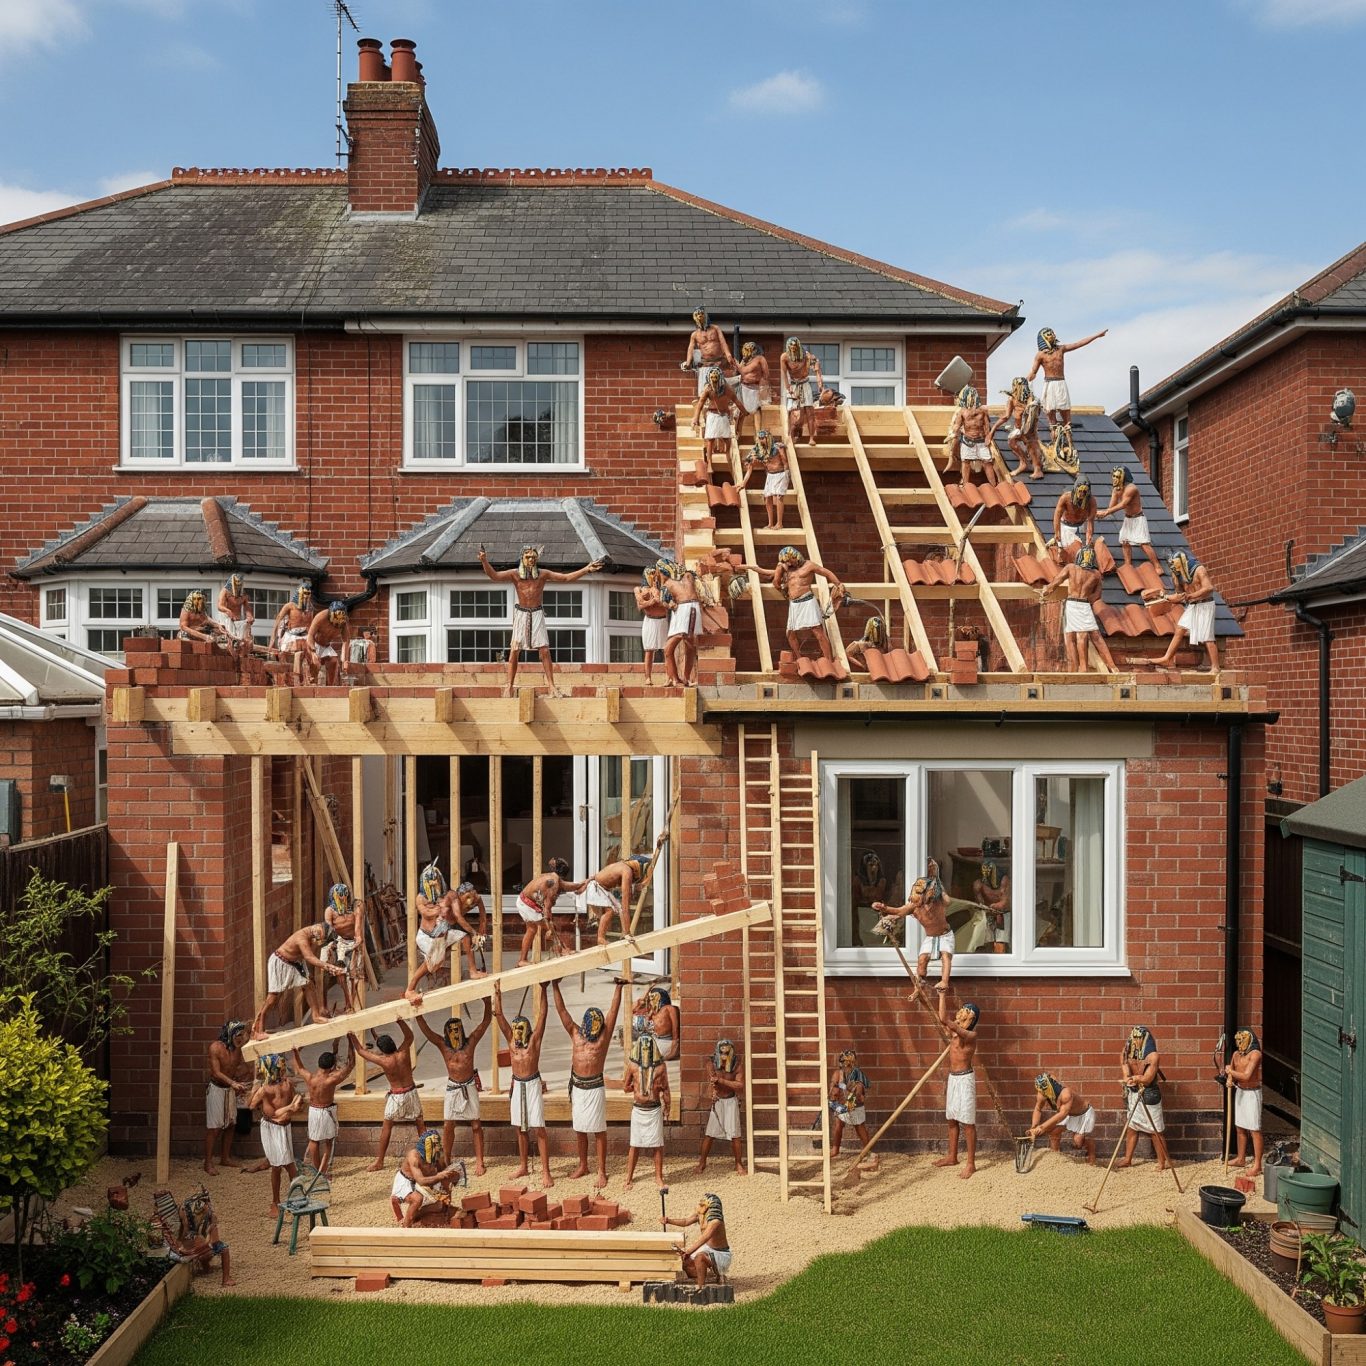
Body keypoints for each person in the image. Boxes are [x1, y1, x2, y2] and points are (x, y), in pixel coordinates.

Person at [478, 544, 606, 697]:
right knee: (514, 650)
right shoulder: (514, 574)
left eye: (533, 557)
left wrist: (586, 569)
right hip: (522, 613)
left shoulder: (542, 574)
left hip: (537, 613)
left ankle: (551, 686)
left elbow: (565, 578)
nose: (531, 559)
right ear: (522, 558)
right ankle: (509, 686)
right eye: (528, 557)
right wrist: (484, 561)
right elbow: (495, 576)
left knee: (544, 650)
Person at [552, 979, 626, 1188]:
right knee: (580, 1128)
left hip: (594, 1087)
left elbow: (613, 1011)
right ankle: (583, 1165)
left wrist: (618, 988)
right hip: (577, 1087)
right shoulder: (575, 1033)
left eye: (597, 1022)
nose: (594, 1025)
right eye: (591, 1021)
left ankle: (602, 1170)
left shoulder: (603, 1037)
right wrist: (555, 986)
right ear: (585, 1021)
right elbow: (562, 1012)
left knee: (598, 1129)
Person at [733, 546, 845, 672]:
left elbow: (826, 572)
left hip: (807, 601)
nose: (790, 563)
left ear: (795, 556)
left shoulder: (809, 565)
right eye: (787, 561)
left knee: (818, 632)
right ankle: (799, 659)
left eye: (790, 560)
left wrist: (838, 584)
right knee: (790, 633)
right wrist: (746, 567)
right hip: (794, 604)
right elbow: (762, 571)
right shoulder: (786, 570)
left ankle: (828, 660)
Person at [416, 1001, 493, 1176]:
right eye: (453, 1031)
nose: (456, 1034)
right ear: (447, 1034)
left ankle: (480, 1162)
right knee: (449, 1125)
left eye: (458, 1030)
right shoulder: (443, 1045)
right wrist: (418, 1013)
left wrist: (487, 1002)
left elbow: (486, 1021)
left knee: (475, 1124)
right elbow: (427, 1031)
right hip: (453, 1087)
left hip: (469, 1085)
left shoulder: (470, 1043)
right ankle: (446, 1159)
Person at [494, 982, 554, 1189]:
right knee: (520, 1127)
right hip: (517, 1085)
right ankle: (523, 1166)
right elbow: (499, 1017)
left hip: (532, 1084)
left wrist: (544, 990)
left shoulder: (534, 1041)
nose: (517, 1032)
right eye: (515, 1028)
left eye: (521, 1028)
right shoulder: (511, 1040)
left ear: (527, 1029)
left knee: (539, 1127)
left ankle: (546, 1171)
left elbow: (543, 1016)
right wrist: (497, 994)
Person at [404, 862, 487, 1004]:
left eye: (436, 880)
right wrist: (436, 910)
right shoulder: (425, 898)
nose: (434, 883)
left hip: (444, 934)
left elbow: (479, 917)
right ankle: (410, 989)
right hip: (428, 936)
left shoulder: (457, 897)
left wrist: (477, 933)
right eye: (431, 881)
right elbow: (429, 913)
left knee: (465, 937)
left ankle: (473, 971)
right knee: (431, 965)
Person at [251, 923, 345, 1039]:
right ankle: (258, 1029)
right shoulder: (302, 938)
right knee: (272, 997)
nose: (318, 938)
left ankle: (316, 1015)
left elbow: (313, 953)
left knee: (308, 984)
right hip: (281, 962)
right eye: (320, 935)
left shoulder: (313, 936)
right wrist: (330, 967)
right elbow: (309, 957)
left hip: (295, 963)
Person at [872, 860, 955, 992]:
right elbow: (899, 911)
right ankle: (920, 986)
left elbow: (948, 901)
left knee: (946, 956)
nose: (916, 895)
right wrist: (884, 908)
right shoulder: (914, 908)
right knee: (922, 961)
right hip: (930, 937)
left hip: (945, 935)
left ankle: (944, 981)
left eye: (920, 892)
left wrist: (937, 878)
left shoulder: (937, 901)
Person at [1027, 326, 1107, 461]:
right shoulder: (1040, 355)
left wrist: (1096, 335)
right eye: (1049, 333)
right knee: (1051, 419)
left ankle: (1070, 446)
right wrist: (1027, 380)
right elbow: (1033, 371)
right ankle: (1054, 445)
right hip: (1050, 385)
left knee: (1066, 418)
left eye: (1052, 332)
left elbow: (1079, 344)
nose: (1052, 334)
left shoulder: (1061, 349)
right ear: (1044, 338)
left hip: (1060, 383)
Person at [351, 1021, 422, 1172]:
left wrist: (350, 1034)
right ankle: (430, 1157)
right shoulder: (403, 1052)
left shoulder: (384, 1060)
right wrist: (400, 1020)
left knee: (387, 1128)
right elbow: (409, 1036)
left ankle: (380, 1161)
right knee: (420, 1124)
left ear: (382, 1050)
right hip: (411, 1092)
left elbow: (361, 1051)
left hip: (396, 1096)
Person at [1041, 544, 1118, 673]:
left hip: (1072, 604)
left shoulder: (1071, 568)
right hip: (1084, 604)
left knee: (1077, 636)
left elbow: (1056, 582)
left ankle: (1082, 669)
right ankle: (1112, 667)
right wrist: (1086, 599)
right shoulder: (1096, 574)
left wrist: (1045, 591)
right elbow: (1097, 596)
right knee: (1094, 636)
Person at [248, 1053, 302, 1216]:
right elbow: (293, 1105)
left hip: (277, 1126)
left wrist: (255, 1086)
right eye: (281, 1067)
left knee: (284, 1165)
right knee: (282, 1165)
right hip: (276, 1126)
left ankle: (279, 1201)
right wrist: (289, 1109)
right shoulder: (287, 1084)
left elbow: (251, 1106)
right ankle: (286, 1200)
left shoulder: (264, 1089)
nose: (284, 1069)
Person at [934, 994, 979, 1180]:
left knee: (968, 1122)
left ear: (971, 1019)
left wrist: (943, 996)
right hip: (953, 1079)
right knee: (952, 1119)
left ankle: (971, 1163)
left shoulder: (970, 1035)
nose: (960, 1016)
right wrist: (941, 996)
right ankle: (952, 1156)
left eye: (965, 1014)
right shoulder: (954, 1032)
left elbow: (946, 1021)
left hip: (965, 1080)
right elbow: (943, 1018)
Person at [291, 1043, 354, 1176]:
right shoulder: (332, 1079)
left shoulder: (310, 1077)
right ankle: (323, 1171)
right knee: (329, 1141)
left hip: (314, 1111)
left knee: (314, 1140)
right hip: (326, 1111)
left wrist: (295, 1052)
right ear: (331, 1067)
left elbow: (299, 1067)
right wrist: (350, 1042)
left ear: (319, 1064)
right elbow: (351, 1064)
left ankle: (317, 1170)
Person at [152, 1187, 235, 1288]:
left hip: (183, 1243)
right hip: (181, 1248)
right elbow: (182, 1238)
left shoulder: (178, 1213)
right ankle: (225, 1279)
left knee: (206, 1242)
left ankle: (210, 1269)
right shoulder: (181, 1214)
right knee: (222, 1248)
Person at [1117, 1025, 1173, 1171]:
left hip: (1149, 1094)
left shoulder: (1153, 1056)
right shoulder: (1126, 1051)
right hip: (1133, 1093)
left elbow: (1148, 1079)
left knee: (1155, 1131)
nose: (1136, 1041)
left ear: (1145, 1039)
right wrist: (1127, 1078)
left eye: (1139, 1038)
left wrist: (1135, 1078)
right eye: (1134, 1037)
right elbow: (1124, 1068)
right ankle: (1128, 1159)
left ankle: (1162, 1162)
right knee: (1132, 1127)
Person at [1155, 550, 1220, 672]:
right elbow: (1180, 594)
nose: (1174, 569)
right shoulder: (1179, 574)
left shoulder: (1199, 570)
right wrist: (1166, 597)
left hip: (1205, 605)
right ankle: (1167, 658)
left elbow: (1209, 588)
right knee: (1180, 628)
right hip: (1194, 605)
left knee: (1207, 637)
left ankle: (1215, 667)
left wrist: (1192, 595)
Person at [514, 857, 583, 966]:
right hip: (528, 904)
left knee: (532, 929)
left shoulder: (552, 877)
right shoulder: (554, 882)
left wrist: (584, 883)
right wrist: (548, 923)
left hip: (523, 901)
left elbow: (569, 886)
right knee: (551, 928)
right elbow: (547, 908)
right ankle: (563, 950)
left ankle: (522, 960)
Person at [390, 1129, 466, 1228]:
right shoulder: (414, 1157)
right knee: (417, 1199)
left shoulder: (438, 1153)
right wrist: (439, 1176)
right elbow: (421, 1181)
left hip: (427, 1179)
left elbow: (444, 1174)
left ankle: (419, 1214)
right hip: (408, 1182)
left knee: (440, 1204)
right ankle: (405, 1227)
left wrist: (451, 1179)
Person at [622, 1033, 670, 1191]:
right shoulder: (633, 1066)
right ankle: (628, 1177)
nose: (645, 1050)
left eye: (647, 1047)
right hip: (638, 1109)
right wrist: (636, 1089)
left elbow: (666, 1089)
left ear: (652, 1049)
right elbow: (625, 1086)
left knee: (657, 1145)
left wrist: (667, 1108)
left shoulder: (661, 1067)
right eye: (642, 1047)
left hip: (654, 1109)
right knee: (634, 1144)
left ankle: (658, 1177)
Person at [204, 1020, 250, 1175]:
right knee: (214, 1127)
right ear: (230, 1034)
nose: (241, 1038)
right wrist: (233, 1083)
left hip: (230, 1089)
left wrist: (243, 1081)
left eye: (242, 1035)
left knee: (231, 1124)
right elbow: (216, 1072)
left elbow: (238, 1067)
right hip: (217, 1089)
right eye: (238, 1035)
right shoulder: (215, 1048)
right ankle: (208, 1162)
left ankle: (225, 1158)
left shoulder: (238, 1049)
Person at [580, 851, 653, 944]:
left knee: (618, 908)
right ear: (637, 868)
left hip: (600, 887)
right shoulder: (627, 871)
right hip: (596, 888)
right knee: (609, 911)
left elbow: (597, 876)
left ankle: (624, 932)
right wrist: (628, 934)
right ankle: (601, 938)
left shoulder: (622, 865)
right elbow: (625, 904)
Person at [696, 1037, 746, 1175]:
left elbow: (740, 1085)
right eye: (722, 1051)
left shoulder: (737, 1065)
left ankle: (738, 1163)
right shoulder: (711, 1063)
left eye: (726, 1052)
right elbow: (712, 1081)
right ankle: (702, 1162)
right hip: (718, 1101)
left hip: (731, 1101)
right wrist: (713, 1090)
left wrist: (721, 1081)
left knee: (735, 1134)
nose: (724, 1055)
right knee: (710, 1133)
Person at [1099, 466, 1160, 571]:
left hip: (1138, 519)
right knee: (1125, 541)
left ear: (1123, 477)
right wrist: (1102, 511)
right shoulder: (1117, 489)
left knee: (1143, 544)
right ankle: (1128, 565)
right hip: (1128, 519)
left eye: (1117, 476)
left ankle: (1157, 566)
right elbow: (1111, 507)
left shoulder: (1131, 489)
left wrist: (1106, 512)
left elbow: (1123, 504)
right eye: (1113, 476)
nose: (1114, 478)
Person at [665, 1192, 731, 1289]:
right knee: (685, 1261)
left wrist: (688, 1252)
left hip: (720, 1254)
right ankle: (706, 1275)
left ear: (709, 1207)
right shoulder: (701, 1215)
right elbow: (686, 1221)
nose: (699, 1206)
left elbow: (704, 1238)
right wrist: (668, 1221)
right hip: (708, 1248)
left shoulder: (715, 1222)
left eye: (702, 1204)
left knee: (699, 1258)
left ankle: (701, 1287)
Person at [1028, 1073, 1096, 1163]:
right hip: (1068, 1114)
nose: (1041, 1093)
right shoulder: (1042, 1093)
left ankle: (1092, 1154)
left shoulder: (1066, 1094)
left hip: (1084, 1114)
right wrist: (1034, 1127)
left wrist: (1042, 1127)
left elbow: (1062, 1114)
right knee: (1054, 1133)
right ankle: (1055, 1158)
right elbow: (1038, 1109)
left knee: (1078, 1142)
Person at [1225, 1027, 1264, 1177]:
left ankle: (1257, 1165)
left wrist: (1231, 1072)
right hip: (1240, 1091)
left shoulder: (1255, 1055)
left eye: (1241, 1040)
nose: (1239, 1043)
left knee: (1254, 1128)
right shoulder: (1236, 1055)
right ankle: (1241, 1158)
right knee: (1240, 1127)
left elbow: (1247, 1075)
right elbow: (1232, 1073)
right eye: (1237, 1041)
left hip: (1252, 1093)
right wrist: (1229, 1079)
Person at [320, 881, 363, 1016]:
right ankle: (324, 1006)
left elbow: (358, 930)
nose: (343, 899)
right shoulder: (330, 911)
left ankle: (350, 1004)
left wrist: (358, 941)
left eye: (345, 896)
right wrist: (332, 944)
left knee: (354, 976)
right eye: (339, 896)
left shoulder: (355, 909)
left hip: (352, 942)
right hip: (337, 942)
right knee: (331, 969)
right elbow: (328, 930)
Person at [991, 377, 1043, 479]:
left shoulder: (1030, 399)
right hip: (1018, 429)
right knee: (1012, 441)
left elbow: (1033, 414)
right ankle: (1023, 463)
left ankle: (1038, 470)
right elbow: (1006, 416)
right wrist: (992, 430)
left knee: (1031, 445)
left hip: (1029, 430)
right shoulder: (1012, 399)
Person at [737, 429, 790, 530]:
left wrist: (786, 474)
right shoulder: (757, 450)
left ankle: (779, 523)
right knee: (767, 498)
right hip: (770, 475)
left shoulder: (777, 447)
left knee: (778, 497)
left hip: (781, 474)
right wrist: (744, 483)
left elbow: (784, 461)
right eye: (760, 438)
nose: (761, 440)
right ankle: (770, 523)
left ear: (768, 438)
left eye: (763, 438)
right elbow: (750, 467)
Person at [659, 559, 701, 687]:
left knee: (688, 645)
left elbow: (663, 602)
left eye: (660, 572)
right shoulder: (687, 576)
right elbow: (665, 602)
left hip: (688, 609)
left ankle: (684, 678)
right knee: (672, 649)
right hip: (681, 611)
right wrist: (671, 604)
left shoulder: (686, 577)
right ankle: (676, 679)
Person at [632, 983, 681, 1088]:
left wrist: (673, 1050)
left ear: (660, 997)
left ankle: (648, 1081)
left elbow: (676, 1031)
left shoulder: (670, 1009)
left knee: (645, 1056)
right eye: (650, 998)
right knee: (638, 1052)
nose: (651, 1000)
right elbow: (635, 1011)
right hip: (655, 1039)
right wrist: (645, 997)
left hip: (666, 1042)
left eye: (653, 997)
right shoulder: (653, 1012)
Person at [947, 386, 999, 487]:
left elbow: (986, 425)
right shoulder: (962, 411)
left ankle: (993, 485)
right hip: (968, 441)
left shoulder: (983, 410)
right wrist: (953, 432)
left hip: (981, 441)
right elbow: (957, 425)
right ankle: (966, 485)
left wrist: (988, 437)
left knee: (987, 462)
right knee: (966, 462)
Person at [691, 366, 746, 458]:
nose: (714, 380)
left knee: (727, 438)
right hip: (712, 415)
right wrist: (696, 417)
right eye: (712, 378)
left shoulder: (727, 388)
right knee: (710, 439)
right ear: (709, 378)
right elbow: (700, 403)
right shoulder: (708, 389)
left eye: (715, 377)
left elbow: (736, 400)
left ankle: (728, 454)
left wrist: (744, 411)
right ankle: (709, 463)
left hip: (724, 415)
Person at [829, 1047, 872, 1161]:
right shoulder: (838, 1074)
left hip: (854, 1104)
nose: (845, 1065)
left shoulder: (858, 1074)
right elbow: (833, 1086)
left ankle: (867, 1150)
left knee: (859, 1127)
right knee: (838, 1125)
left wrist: (855, 1094)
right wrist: (833, 1091)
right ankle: (835, 1148)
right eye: (843, 1062)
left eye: (848, 1062)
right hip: (842, 1103)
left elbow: (859, 1091)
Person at [680, 306, 735, 395]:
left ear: (705, 315)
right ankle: (704, 407)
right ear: (695, 317)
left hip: (718, 363)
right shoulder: (695, 334)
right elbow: (691, 348)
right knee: (704, 390)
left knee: (719, 390)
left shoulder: (715, 329)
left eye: (701, 314)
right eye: (697, 314)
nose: (700, 316)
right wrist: (688, 361)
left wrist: (728, 354)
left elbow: (723, 342)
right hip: (704, 365)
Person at [780, 337, 823, 445]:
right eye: (791, 347)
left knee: (810, 411)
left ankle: (811, 438)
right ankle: (791, 435)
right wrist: (788, 388)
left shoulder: (806, 355)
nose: (793, 349)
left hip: (805, 384)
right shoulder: (785, 357)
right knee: (792, 411)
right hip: (793, 385)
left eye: (795, 347)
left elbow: (817, 367)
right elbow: (784, 374)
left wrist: (819, 382)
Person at [634, 566, 671, 686]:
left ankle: (668, 678)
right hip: (650, 621)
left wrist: (658, 598)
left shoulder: (664, 589)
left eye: (655, 575)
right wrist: (651, 601)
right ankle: (648, 678)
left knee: (666, 650)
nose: (654, 578)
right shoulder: (639, 589)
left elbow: (666, 606)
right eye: (651, 575)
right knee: (649, 650)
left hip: (662, 620)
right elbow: (640, 605)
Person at [271, 581, 315, 677]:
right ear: (299, 593)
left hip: (305, 636)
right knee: (286, 659)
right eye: (305, 593)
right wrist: (272, 640)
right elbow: (278, 620)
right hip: (291, 636)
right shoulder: (289, 606)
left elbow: (311, 625)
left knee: (311, 658)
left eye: (308, 594)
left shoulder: (310, 608)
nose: (306, 596)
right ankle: (287, 677)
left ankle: (307, 679)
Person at [732, 341, 770, 440]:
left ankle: (758, 434)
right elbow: (739, 371)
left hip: (755, 388)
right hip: (743, 387)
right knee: (740, 411)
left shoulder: (760, 359)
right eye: (745, 349)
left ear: (754, 350)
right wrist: (738, 364)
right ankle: (737, 433)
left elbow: (766, 374)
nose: (747, 352)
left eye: (749, 349)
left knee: (756, 410)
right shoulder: (744, 361)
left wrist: (763, 386)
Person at [307, 600, 350, 686]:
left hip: (326, 646)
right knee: (316, 662)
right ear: (331, 613)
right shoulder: (321, 616)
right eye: (336, 617)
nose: (338, 620)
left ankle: (330, 685)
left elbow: (346, 640)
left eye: (341, 617)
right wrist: (313, 652)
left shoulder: (343, 622)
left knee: (333, 661)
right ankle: (312, 682)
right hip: (314, 644)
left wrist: (345, 660)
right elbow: (310, 636)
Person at [1052, 476, 1097, 557]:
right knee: (1073, 551)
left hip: (1082, 527)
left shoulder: (1091, 501)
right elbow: (1056, 517)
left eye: (1084, 491)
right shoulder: (1065, 498)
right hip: (1066, 528)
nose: (1082, 494)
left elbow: (1090, 521)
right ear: (1076, 489)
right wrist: (1058, 536)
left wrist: (1088, 540)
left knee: (1089, 553)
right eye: (1080, 491)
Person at [972, 860, 1012, 947]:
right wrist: (983, 906)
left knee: (1000, 944)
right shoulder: (978, 884)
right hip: (987, 915)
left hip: (1002, 915)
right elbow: (980, 903)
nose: (986, 873)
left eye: (988, 870)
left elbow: (1005, 902)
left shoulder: (1004, 881)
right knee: (986, 943)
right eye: (984, 870)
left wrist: (994, 906)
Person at [216, 573, 254, 646]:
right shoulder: (225, 591)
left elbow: (247, 608)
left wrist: (250, 616)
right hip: (227, 619)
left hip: (238, 620)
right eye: (236, 584)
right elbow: (219, 606)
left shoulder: (244, 594)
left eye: (239, 584)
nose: (238, 586)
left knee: (242, 641)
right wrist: (228, 611)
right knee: (232, 639)